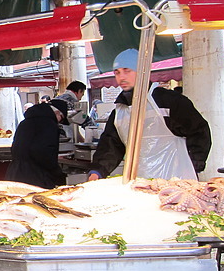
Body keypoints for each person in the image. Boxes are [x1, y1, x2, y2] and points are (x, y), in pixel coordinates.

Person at [87, 49, 211, 181]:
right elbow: (110, 146)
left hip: (177, 181)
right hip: (139, 183)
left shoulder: (170, 102)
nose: (121, 77)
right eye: (117, 72)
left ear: (142, 71)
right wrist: (97, 172)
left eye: (127, 70)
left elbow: (199, 131)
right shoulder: (119, 112)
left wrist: (194, 164)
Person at [5, 99, 69, 188]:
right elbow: (44, 153)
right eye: (61, 118)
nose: (59, 121)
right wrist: (57, 173)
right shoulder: (49, 124)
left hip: (15, 172)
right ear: (57, 112)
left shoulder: (25, 122)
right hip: (36, 176)